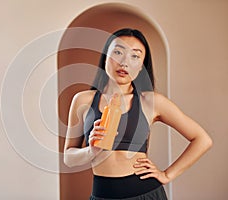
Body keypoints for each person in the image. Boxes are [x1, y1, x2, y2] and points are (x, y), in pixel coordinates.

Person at [63, 28, 212, 200]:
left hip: (145, 193)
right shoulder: (83, 100)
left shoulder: (151, 101)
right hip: (101, 195)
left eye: (135, 56)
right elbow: (69, 157)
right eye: (118, 52)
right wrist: (91, 151)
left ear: (141, 66)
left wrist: (167, 175)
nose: (124, 62)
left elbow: (203, 139)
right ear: (105, 56)